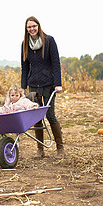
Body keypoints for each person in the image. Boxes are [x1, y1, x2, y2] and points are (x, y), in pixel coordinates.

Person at [21, 16, 65, 158]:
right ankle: (40, 149)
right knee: (36, 117)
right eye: (29, 27)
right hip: (33, 85)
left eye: (34, 26)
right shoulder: (25, 44)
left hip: (48, 85)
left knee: (50, 114)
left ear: (38, 26)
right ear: (26, 29)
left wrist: (57, 83)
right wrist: (23, 86)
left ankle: (60, 148)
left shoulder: (49, 41)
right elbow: (25, 67)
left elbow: (56, 63)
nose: (32, 29)